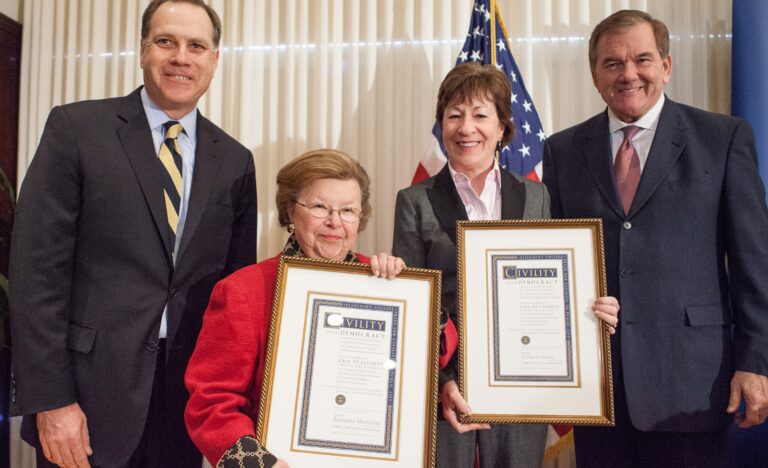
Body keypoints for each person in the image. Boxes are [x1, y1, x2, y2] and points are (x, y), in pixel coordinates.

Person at [8, 1, 257, 466]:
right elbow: (35, 275)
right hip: (86, 399)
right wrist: (51, 400)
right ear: (143, 50)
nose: (181, 57)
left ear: (214, 60)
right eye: (166, 41)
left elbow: (236, 291)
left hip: (186, 402)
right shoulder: (77, 130)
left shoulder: (235, 160)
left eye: (196, 46)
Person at [543, 9, 768, 467]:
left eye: (642, 60)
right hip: (596, 389)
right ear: (594, 74)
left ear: (666, 66)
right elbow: (554, 267)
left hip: (693, 383)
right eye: (612, 64)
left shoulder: (722, 139)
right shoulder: (562, 150)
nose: (628, 74)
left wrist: (756, 362)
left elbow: (754, 264)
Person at [393, 62, 620, 468]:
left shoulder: (538, 197)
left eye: (481, 115)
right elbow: (413, 305)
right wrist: (441, 383)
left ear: (503, 127)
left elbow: (559, 284)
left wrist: (591, 309)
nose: (466, 128)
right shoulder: (414, 201)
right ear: (440, 125)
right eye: (454, 115)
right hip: (448, 383)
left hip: (524, 376)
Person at [185, 149, 408, 468]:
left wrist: (408, 289)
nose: (335, 222)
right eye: (320, 207)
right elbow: (210, 404)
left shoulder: (381, 280)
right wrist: (258, 464)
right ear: (290, 210)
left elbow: (438, 354)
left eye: (348, 210)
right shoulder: (243, 291)